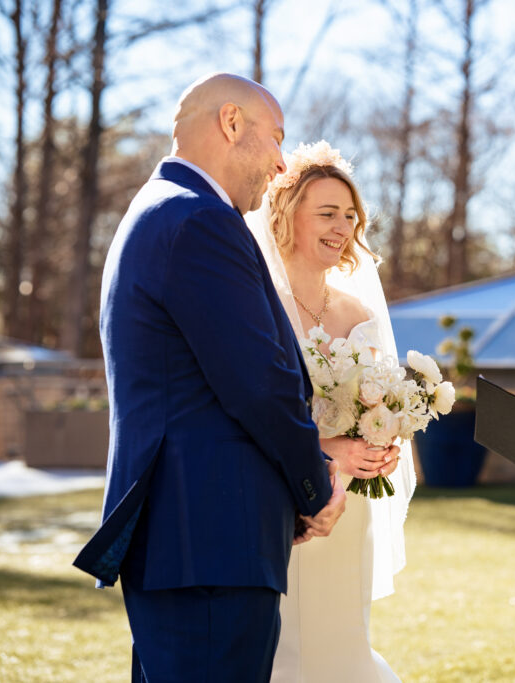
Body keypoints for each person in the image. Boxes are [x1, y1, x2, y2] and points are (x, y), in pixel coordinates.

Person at [73, 73, 347, 682]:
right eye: (276, 138)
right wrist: (313, 488)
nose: (281, 164)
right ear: (230, 123)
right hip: (210, 542)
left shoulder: (160, 212)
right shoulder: (197, 220)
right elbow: (261, 382)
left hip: (185, 540)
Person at [245, 140, 413, 682]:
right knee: (289, 647)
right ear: (287, 213)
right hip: (287, 504)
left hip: (353, 506)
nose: (342, 226)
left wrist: (385, 440)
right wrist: (324, 447)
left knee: (343, 637)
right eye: (326, 213)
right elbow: (251, 409)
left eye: (349, 215)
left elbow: (378, 398)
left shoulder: (358, 311)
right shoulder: (258, 304)